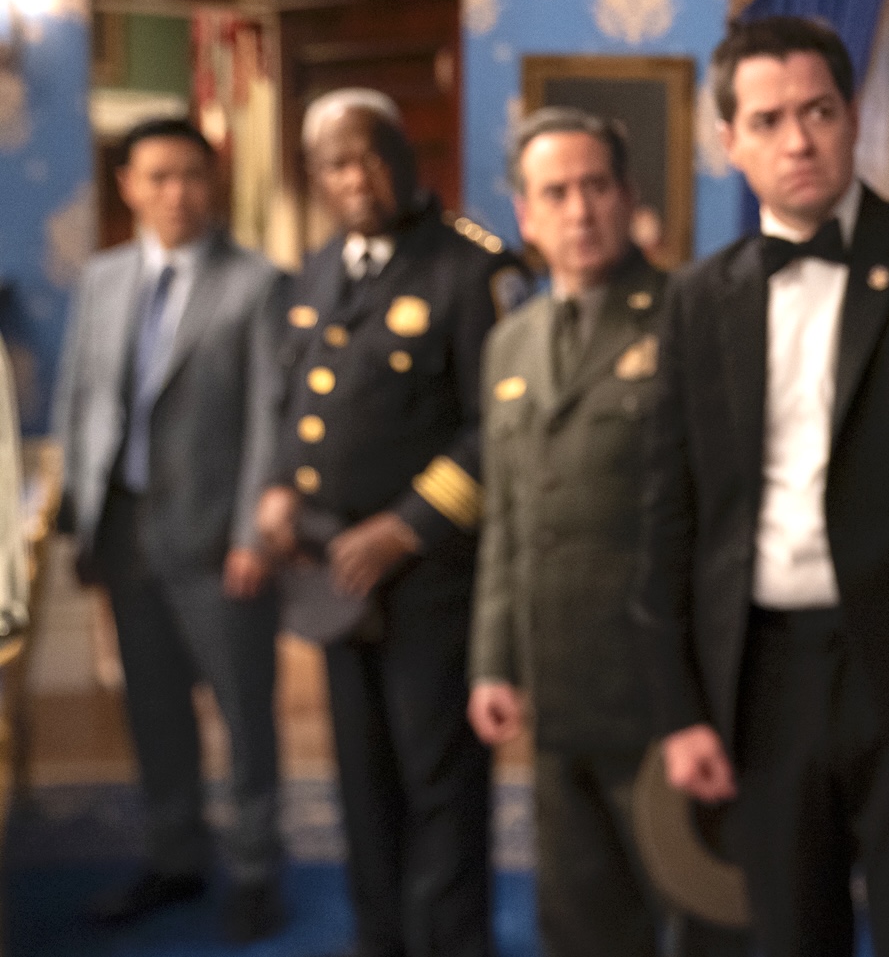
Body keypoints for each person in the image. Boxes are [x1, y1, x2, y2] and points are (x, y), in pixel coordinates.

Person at [638, 16, 889, 957]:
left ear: (853, 116)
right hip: (759, 678)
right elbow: (669, 516)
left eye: (818, 111)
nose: (798, 140)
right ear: (729, 140)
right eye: (769, 119)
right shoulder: (696, 299)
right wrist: (681, 708)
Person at [468, 107, 747, 957]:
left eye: (596, 186)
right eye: (556, 193)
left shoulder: (690, 317)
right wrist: (494, 660)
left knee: (703, 914)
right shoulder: (510, 343)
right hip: (560, 689)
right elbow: (507, 523)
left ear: (629, 196)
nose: (579, 210)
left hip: (664, 694)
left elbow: (724, 520)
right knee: (582, 921)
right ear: (526, 215)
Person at [254, 88, 524, 957]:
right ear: (315, 177)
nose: (357, 177)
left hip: (430, 576)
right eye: (336, 163)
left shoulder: (473, 267)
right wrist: (281, 486)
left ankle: (452, 944)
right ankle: (380, 938)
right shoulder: (317, 270)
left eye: (372, 155)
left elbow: (497, 427)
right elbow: (300, 398)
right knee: (362, 781)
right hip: (335, 573)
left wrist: (405, 526)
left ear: (407, 156)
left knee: (439, 780)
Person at [49, 118, 289, 942]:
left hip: (220, 540)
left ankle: (256, 872)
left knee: (244, 714)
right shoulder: (102, 278)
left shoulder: (258, 283)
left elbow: (269, 416)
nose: (176, 192)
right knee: (154, 712)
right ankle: (174, 856)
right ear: (128, 185)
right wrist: (78, 523)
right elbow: (80, 397)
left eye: (191, 174)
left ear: (213, 181)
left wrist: (254, 534)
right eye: (157, 176)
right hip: (125, 535)